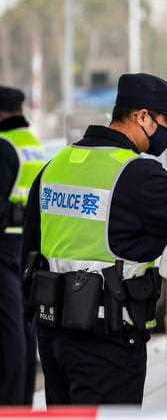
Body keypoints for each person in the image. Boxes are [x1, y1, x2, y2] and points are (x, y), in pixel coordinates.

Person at [23, 73, 167, 405]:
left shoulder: (56, 165)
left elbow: (30, 250)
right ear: (142, 116)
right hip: (106, 341)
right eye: (166, 122)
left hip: (54, 335)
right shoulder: (134, 174)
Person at [0, 86, 45, 405]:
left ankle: (9, 401)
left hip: (4, 245)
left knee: (8, 328)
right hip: (28, 244)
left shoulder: (4, 146)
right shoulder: (34, 145)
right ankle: (22, 400)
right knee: (23, 325)